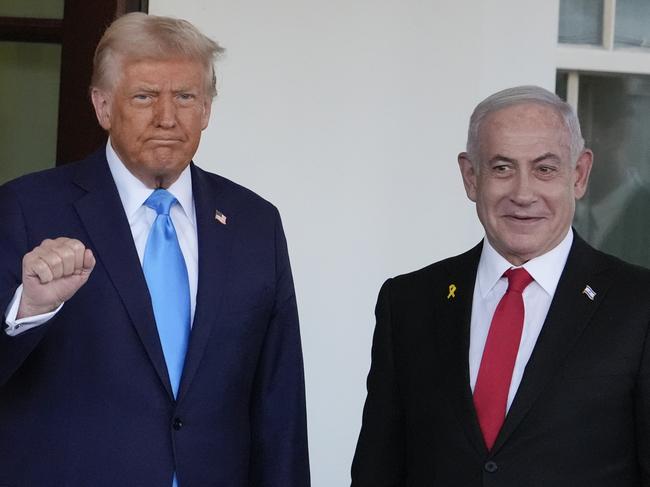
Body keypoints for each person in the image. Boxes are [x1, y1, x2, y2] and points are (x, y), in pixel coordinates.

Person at [0, 13, 310, 487]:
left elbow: (279, 403)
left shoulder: (255, 223)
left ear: (206, 109)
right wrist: (30, 309)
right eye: (144, 96)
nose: (167, 117)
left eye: (185, 97)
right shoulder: (27, 208)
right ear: (103, 106)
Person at [351, 85, 650, 486]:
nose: (523, 194)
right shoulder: (408, 302)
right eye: (502, 168)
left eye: (545, 169)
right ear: (471, 177)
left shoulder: (638, 305)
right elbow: (378, 469)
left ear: (578, 176)